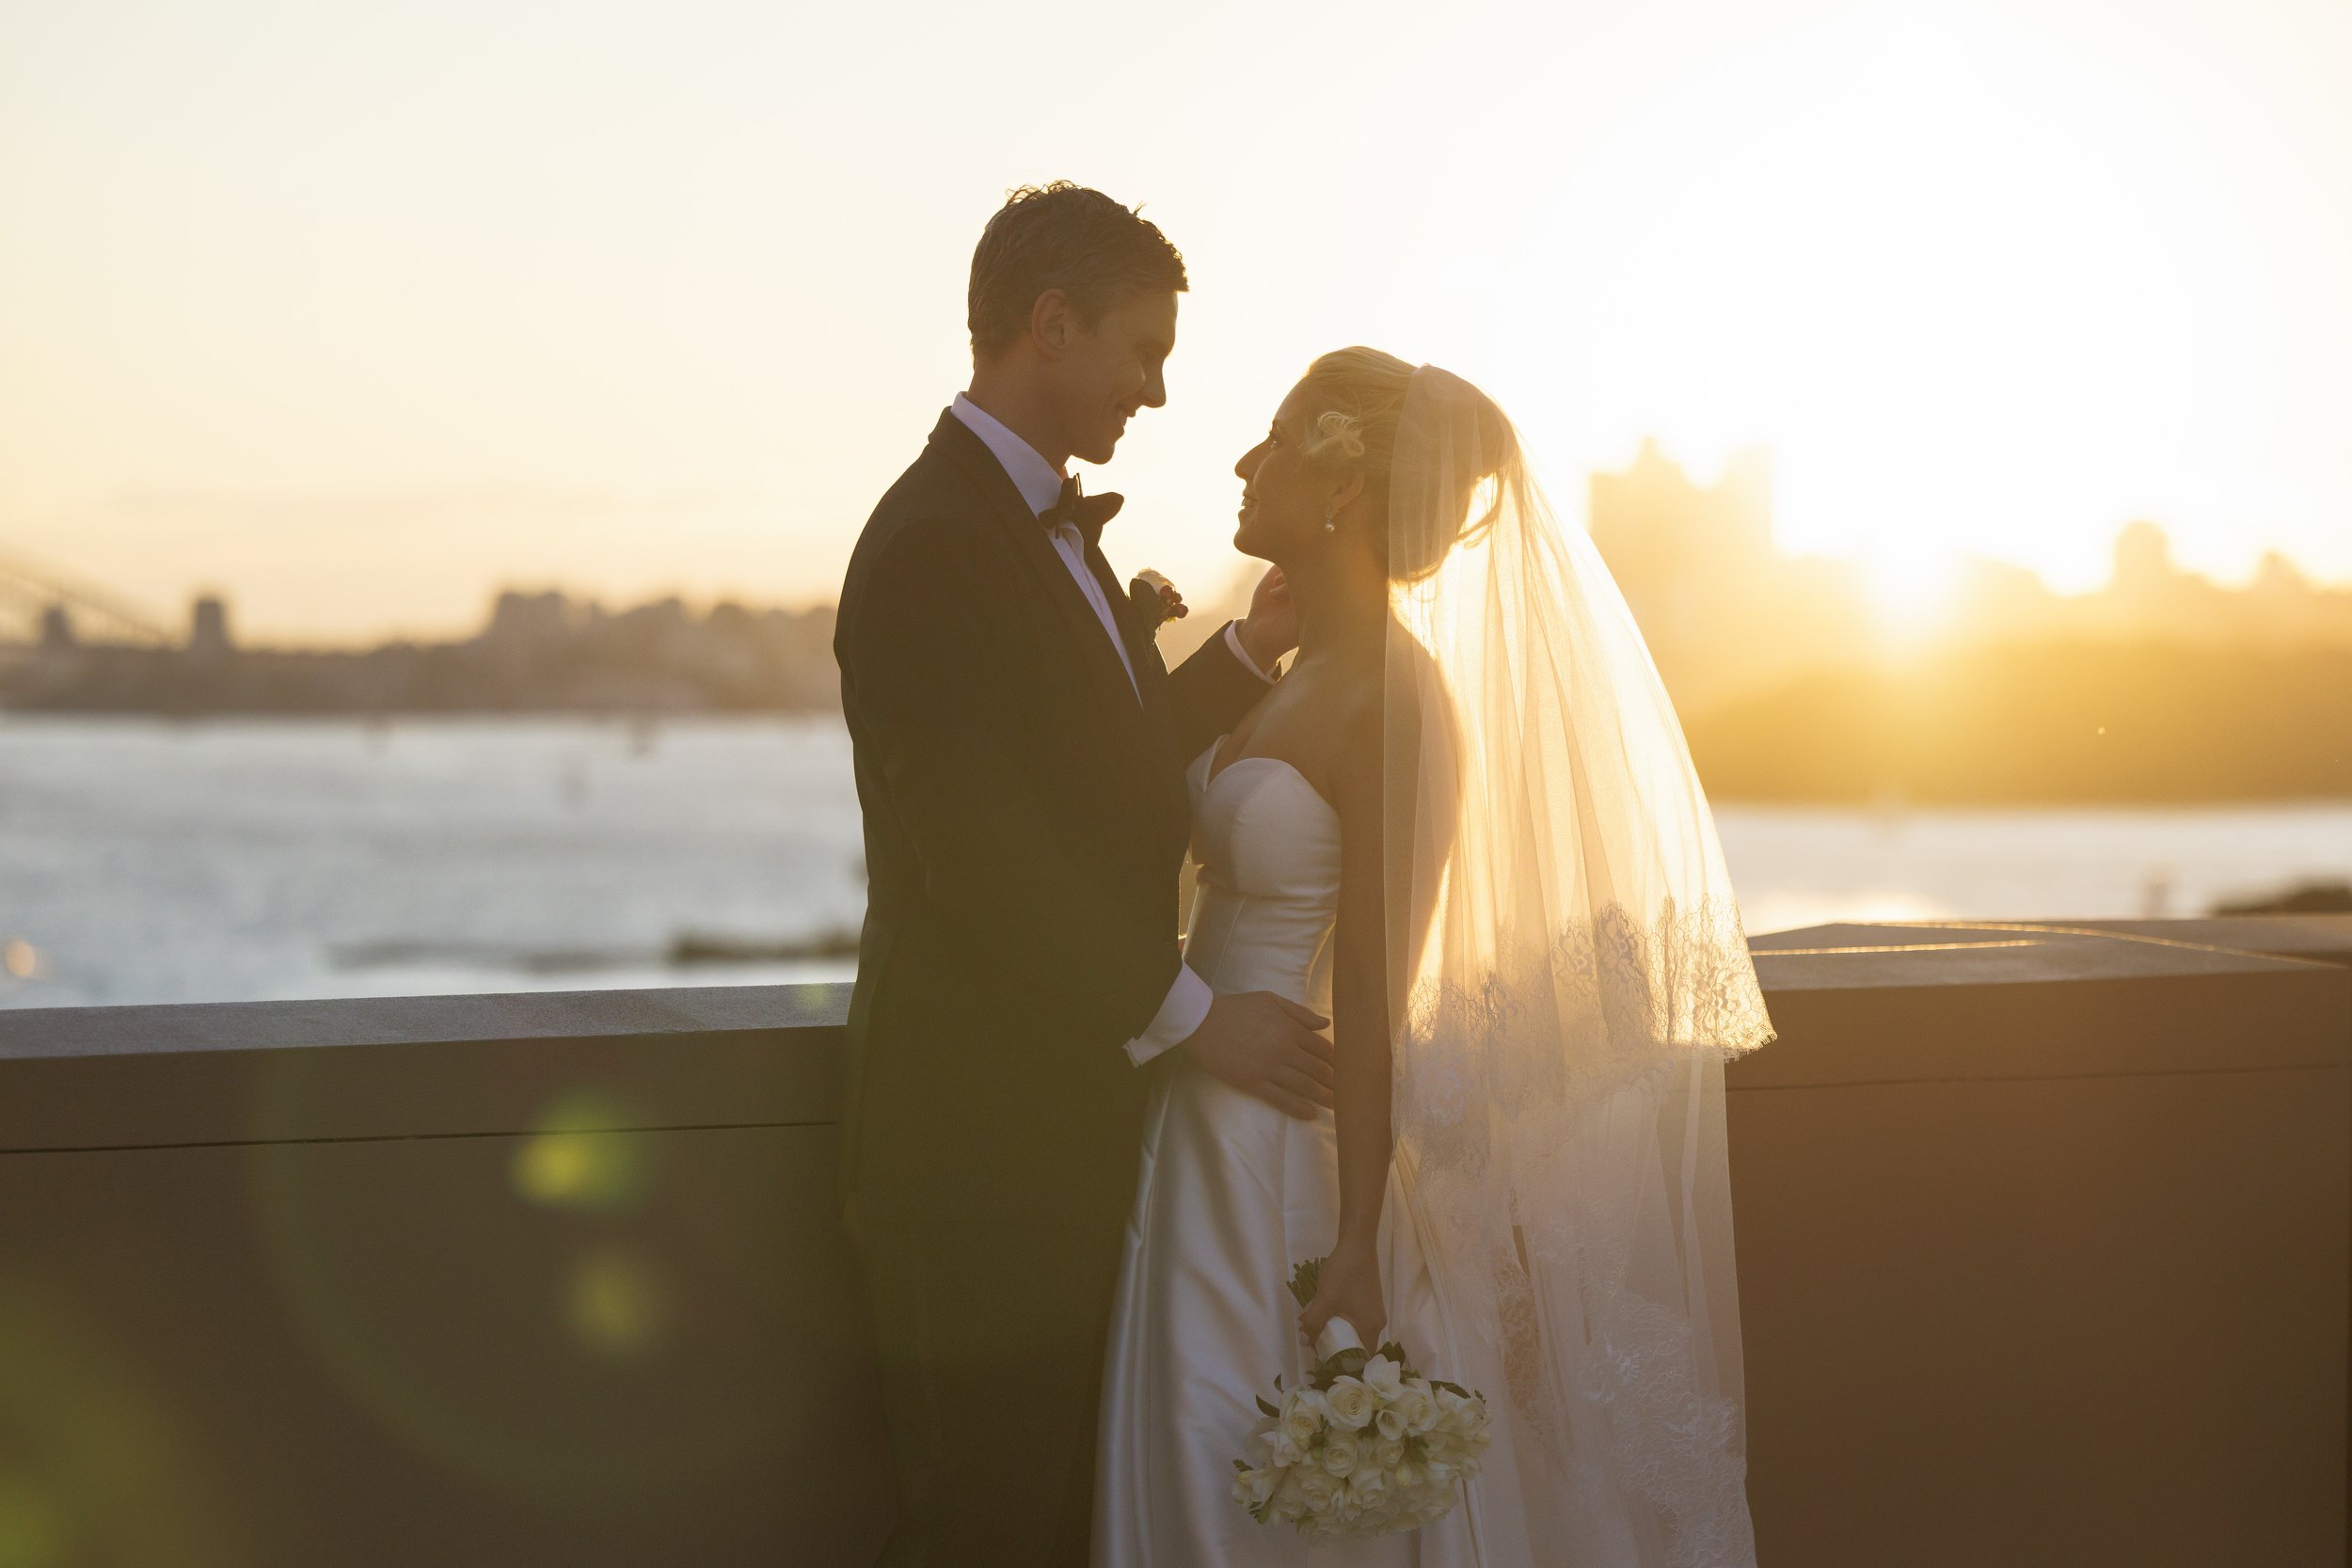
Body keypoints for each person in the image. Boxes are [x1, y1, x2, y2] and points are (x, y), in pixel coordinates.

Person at [1093, 350, 1777, 1565]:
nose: (1249, 465)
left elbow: (1374, 985)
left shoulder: (1397, 700)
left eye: (1282, 439)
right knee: (1190, 1456)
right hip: (1192, 1123)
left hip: (1290, 1139)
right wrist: (1243, 656)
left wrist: (1357, 1235)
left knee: (1268, 1483)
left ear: (1348, 487)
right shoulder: (1288, 673)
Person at [833, 182, 1339, 1565]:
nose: (1157, 393)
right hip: (973, 1151)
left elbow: (1088, 774)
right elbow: (982, 852)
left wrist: (1238, 659)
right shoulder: (935, 542)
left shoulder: (1033, 527)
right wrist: (1194, 1014)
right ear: (1051, 327)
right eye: (1143, 350)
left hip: (1068, 1131)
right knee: (985, 1517)